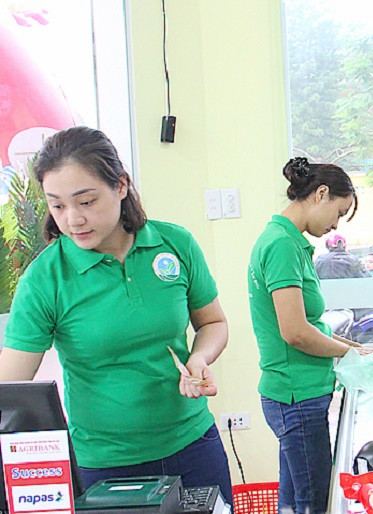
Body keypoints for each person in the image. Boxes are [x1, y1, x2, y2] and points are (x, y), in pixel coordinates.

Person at [0, 127, 233, 502]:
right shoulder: (45, 279)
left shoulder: (175, 243)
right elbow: (9, 387)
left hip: (194, 446)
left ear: (121, 186)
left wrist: (200, 358)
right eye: (57, 205)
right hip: (104, 466)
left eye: (86, 202)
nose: (72, 219)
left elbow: (213, 322)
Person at [248, 157, 370, 513]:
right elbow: (296, 332)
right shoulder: (281, 246)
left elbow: (309, 325)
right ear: (320, 194)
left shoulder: (287, 241)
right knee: (315, 503)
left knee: (293, 503)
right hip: (295, 396)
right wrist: (346, 354)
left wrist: (353, 347)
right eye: (338, 212)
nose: (335, 225)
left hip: (298, 394)